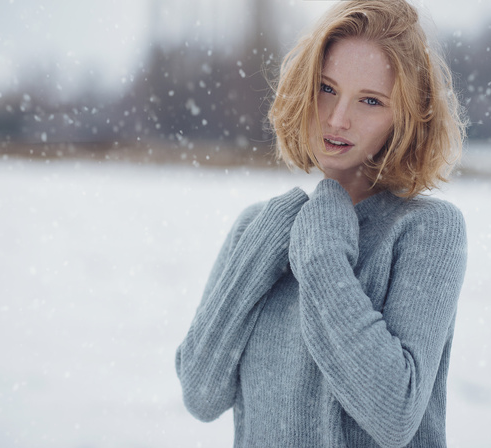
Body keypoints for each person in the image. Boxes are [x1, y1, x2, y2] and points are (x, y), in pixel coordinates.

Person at [175, 1, 468, 446]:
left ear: (404, 118)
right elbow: (201, 394)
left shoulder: (425, 231)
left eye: (370, 100)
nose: (337, 118)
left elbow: (395, 414)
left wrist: (323, 257)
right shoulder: (257, 227)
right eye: (327, 88)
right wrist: (266, 243)